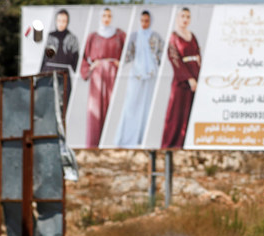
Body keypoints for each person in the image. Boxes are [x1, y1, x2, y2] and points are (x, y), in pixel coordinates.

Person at [113, 10, 163, 147]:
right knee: (131, 105)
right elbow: (127, 55)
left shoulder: (156, 37)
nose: (144, 24)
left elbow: (161, 55)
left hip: (151, 75)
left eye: (147, 21)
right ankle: (126, 139)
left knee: (147, 106)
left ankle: (143, 139)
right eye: (142, 21)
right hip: (136, 74)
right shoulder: (134, 36)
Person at [80, 7, 126, 147]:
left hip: (113, 74)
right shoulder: (93, 36)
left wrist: (121, 64)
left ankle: (114, 143)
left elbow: (130, 52)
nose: (106, 18)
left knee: (113, 106)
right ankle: (94, 144)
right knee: (96, 108)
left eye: (109, 15)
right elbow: (84, 58)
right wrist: (90, 68)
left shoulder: (119, 35)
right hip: (98, 77)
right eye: (104, 15)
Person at [161, 7, 201, 149]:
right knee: (177, 114)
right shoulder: (174, 37)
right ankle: (171, 144)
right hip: (181, 81)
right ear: (178, 18)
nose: (185, 19)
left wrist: (198, 75)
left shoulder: (192, 36)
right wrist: (188, 78)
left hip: (195, 76)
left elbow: (198, 55)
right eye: (182, 16)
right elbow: (175, 59)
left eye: (188, 16)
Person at [40, 9, 80, 102]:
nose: (61, 23)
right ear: (56, 21)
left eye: (64, 21)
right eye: (59, 20)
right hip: (48, 73)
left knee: (63, 102)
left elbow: (76, 61)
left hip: (64, 75)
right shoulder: (50, 37)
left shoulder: (72, 38)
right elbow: (44, 58)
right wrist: (40, 74)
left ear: (67, 22)